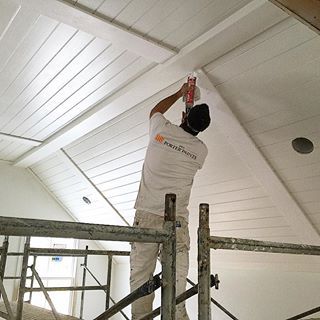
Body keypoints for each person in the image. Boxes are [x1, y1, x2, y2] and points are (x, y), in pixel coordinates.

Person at [130, 82, 211, 319]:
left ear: (184, 116)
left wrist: (179, 93)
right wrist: (186, 122)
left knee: (141, 278)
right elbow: (186, 138)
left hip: (146, 216)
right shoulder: (201, 151)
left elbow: (155, 110)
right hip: (176, 222)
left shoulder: (160, 130)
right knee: (176, 284)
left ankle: (140, 317)